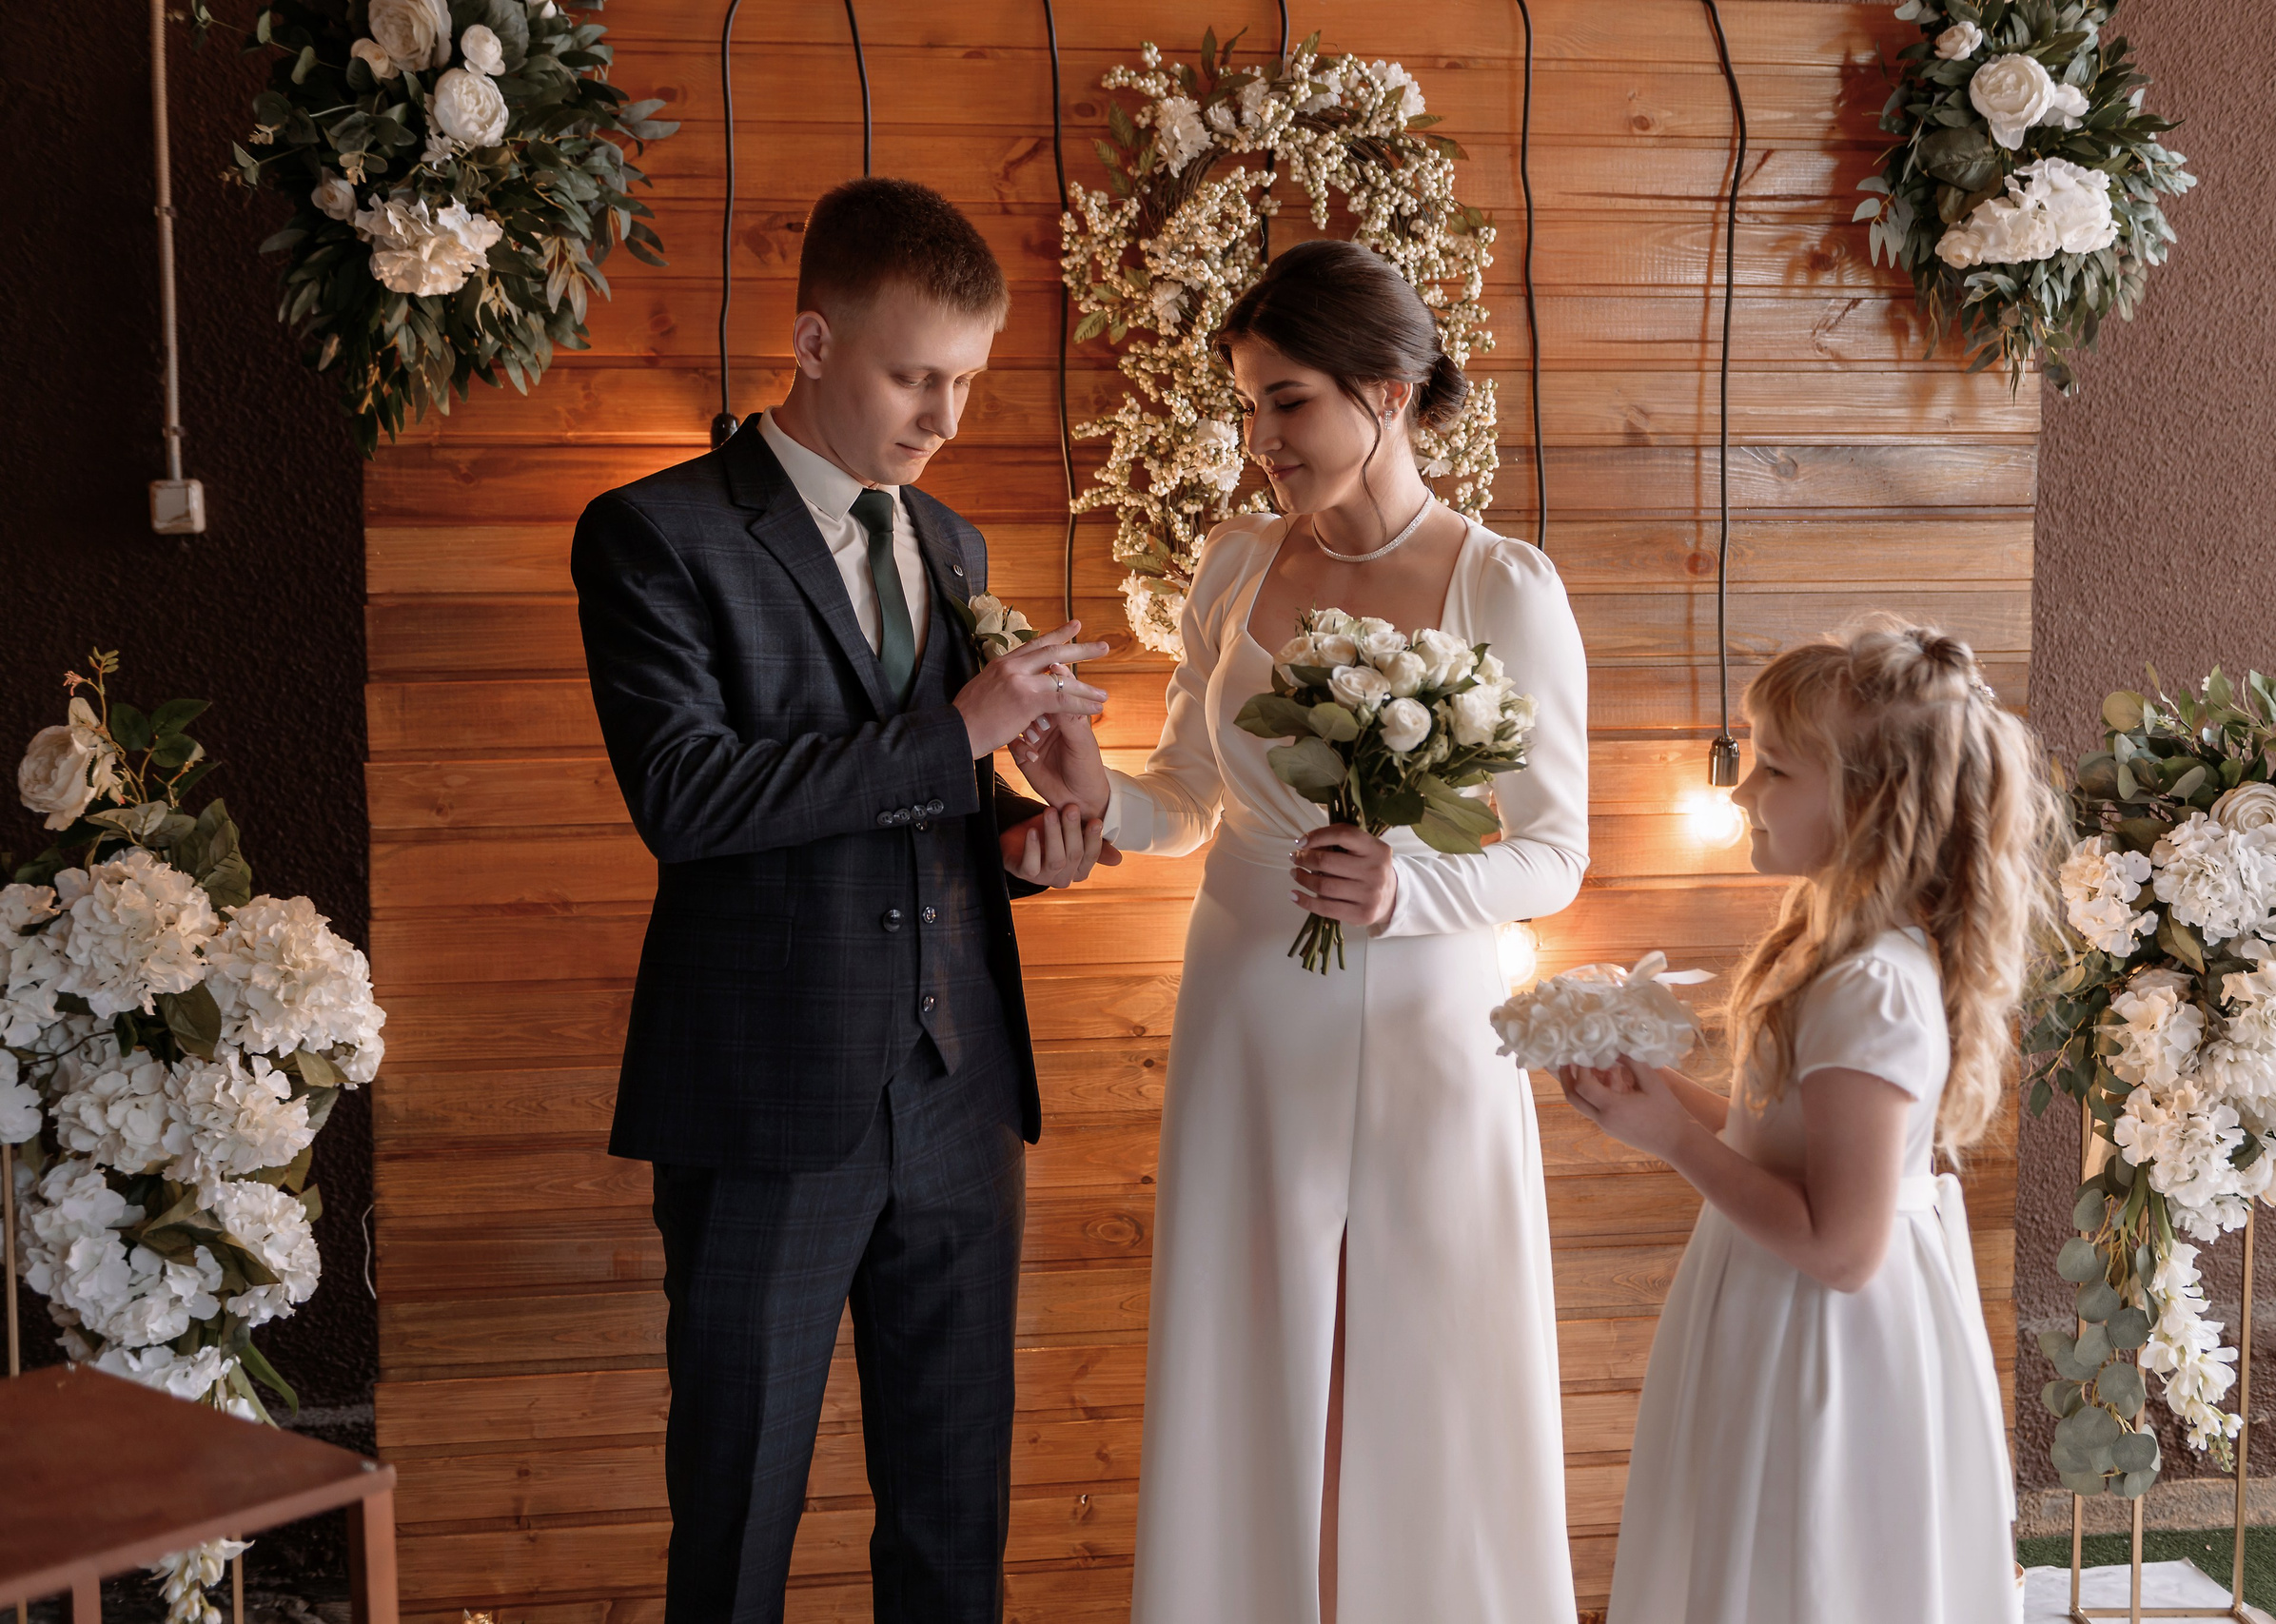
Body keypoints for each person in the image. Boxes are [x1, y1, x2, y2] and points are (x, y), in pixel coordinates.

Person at [1011, 238, 1588, 1624]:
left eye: (1289, 403)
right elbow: (1194, 796)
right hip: (1249, 1003)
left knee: (1428, 1342)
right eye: (1251, 408)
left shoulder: (1504, 584)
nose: (1263, 440)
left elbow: (1556, 849)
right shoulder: (1231, 564)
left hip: (1428, 1017)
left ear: (1388, 394)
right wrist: (1100, 799)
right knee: (1248, 1333)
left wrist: (1411, 887)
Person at [569, 176, 1116, 1624]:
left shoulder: (952, 546)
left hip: (960, 1094)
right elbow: (686, 799)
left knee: (954, 1515)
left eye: (966, 382)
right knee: (739, 1516)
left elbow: (925, 814)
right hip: (763, 1103)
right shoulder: (654, 534)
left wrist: (1029, 835)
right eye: (912, 374)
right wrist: (962, 728)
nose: (943, 417)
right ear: (813, 342)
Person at [1562, 618, 2059, 1624]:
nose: (1741, 789)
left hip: (1827, 1336)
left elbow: (1841, 1248)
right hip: (1777, 1300)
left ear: (1867, 806)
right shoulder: (1831, 945)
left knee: (1807, 1569)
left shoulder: (1873, 983)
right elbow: (1778, 1145)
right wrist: (1654, 1098)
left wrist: (1668, 1140)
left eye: (1773, 769)